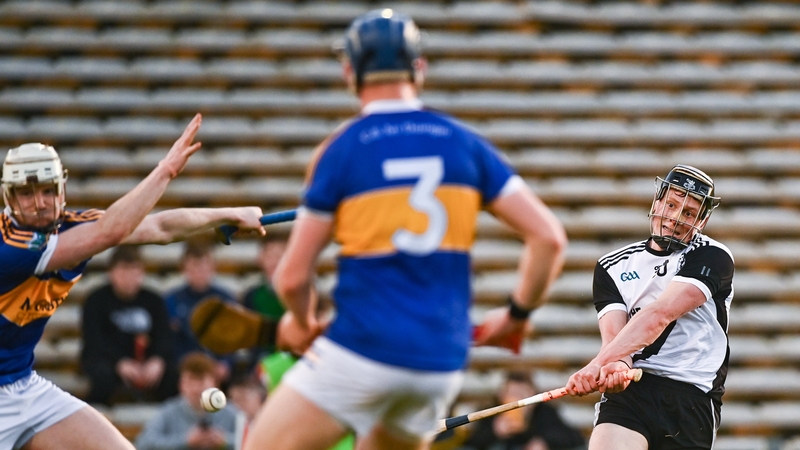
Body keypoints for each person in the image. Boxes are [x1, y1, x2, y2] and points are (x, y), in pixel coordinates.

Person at [243, 9, 568, 450]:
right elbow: (549, 238)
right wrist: (516, 316)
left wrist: (301, 322)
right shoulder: (463, 142)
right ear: (420, 68)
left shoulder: (342, 149)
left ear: (349, 71)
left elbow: (292, 278)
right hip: (439, 363)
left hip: (361, 350)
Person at [0, 113, 266, 450]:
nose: (39, 203)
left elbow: (159, 227)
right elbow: (110, 231)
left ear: (61, 190)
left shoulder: (70, 225)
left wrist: (229, 214)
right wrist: (166, 170)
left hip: (24, 386)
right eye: (26, 193)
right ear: (10, 198)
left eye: (47, 191)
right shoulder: (10, 246)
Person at [565, 165, 734, 450]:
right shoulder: (612, 266)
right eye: (671, 205)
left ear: (701, 222)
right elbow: (615, 340)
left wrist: (595, 365)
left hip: (689, 396)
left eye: (689, 213)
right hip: (631, 393)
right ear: (656, 202)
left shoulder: (712, 256)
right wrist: (617, 364)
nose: (676, 218)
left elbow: (660, 314)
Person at [80, 245, 177, 405]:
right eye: (123, 271)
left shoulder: (154, 300)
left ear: (142, 273)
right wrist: (119, 363)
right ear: (111, 273)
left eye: (134, 271)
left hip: (147, 363)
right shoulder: (95, 301)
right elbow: (94, 341)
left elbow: (164, 336)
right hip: (109, 361)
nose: (129, 278)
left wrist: (157, 360)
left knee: (174, 376)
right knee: (102, 376)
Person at [165, 239, 238, 382]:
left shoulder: (225, 299)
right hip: (183, 368)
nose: (199, 273)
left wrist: (226, 362)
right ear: (184, 269)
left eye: (204, 268)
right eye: (194, 268)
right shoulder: (172, 300)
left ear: (213, 268)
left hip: (218, 366)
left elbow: (234, 337)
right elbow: (170, 341)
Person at [135, 352, 240, 450]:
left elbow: (247, 440)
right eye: (190, 381)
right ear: (181, 385)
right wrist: (185, 441)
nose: (196, 389)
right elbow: (143, 443)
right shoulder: (168, 412)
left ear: (214, 383)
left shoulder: (230, 412)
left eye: (201, 381)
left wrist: (224, 441)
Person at [458, 371, 586, 450]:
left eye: (522, 394)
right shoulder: (491, 413)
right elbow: (471, 443)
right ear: (501, 396)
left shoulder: (545, 413)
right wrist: (494, 432)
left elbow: (574, 438)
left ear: (533, 395)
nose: (517, 400)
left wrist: (544, 442)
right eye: (512, 394)